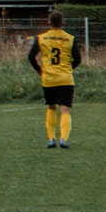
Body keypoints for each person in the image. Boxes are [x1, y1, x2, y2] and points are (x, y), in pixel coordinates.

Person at [28, 9, 81, 148]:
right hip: (65, 79)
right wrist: (69, 69)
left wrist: (40, 70)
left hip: (49, 79)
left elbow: (30, 57)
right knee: (65, 110)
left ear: (49, 23)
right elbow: (78, 59)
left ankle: (51, 139)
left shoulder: (41, 38)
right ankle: (63, 139)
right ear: (62, 23)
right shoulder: (70, 38)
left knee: (51, 107)